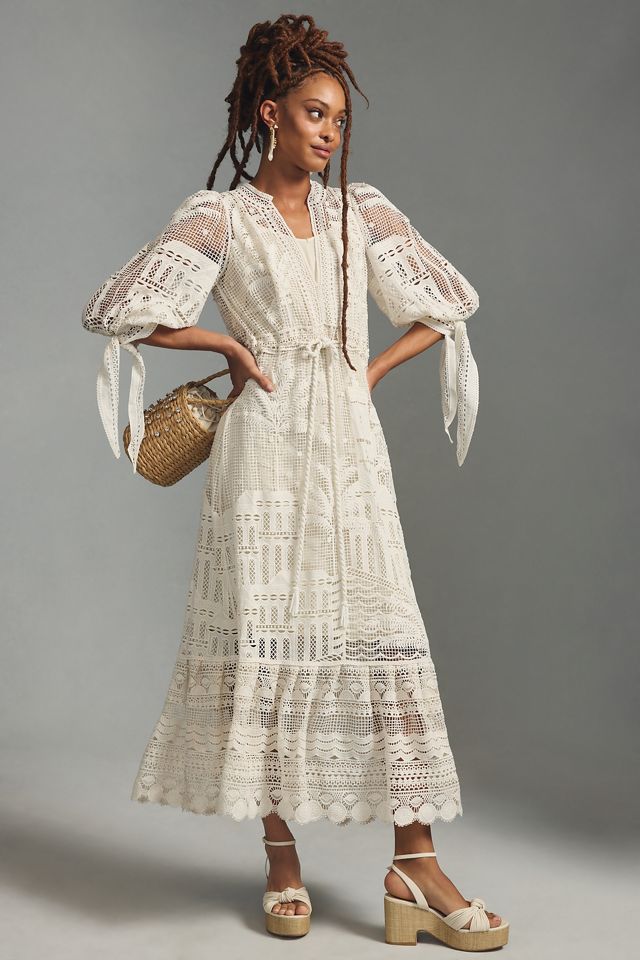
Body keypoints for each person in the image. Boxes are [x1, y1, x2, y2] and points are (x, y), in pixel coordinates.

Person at [81, 12, 508, 950]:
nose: (330, 133)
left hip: (350, 447)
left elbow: (449, 302)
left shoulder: (361, 210)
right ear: (270, 113)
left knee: (384, 634)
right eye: (315, 114)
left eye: (340, 120)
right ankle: (281, 860)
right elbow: (120, 308)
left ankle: (415, 863)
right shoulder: (221, 216)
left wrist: (370, 371)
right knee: (269, 645)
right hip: (264, 451)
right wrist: (228, 344)